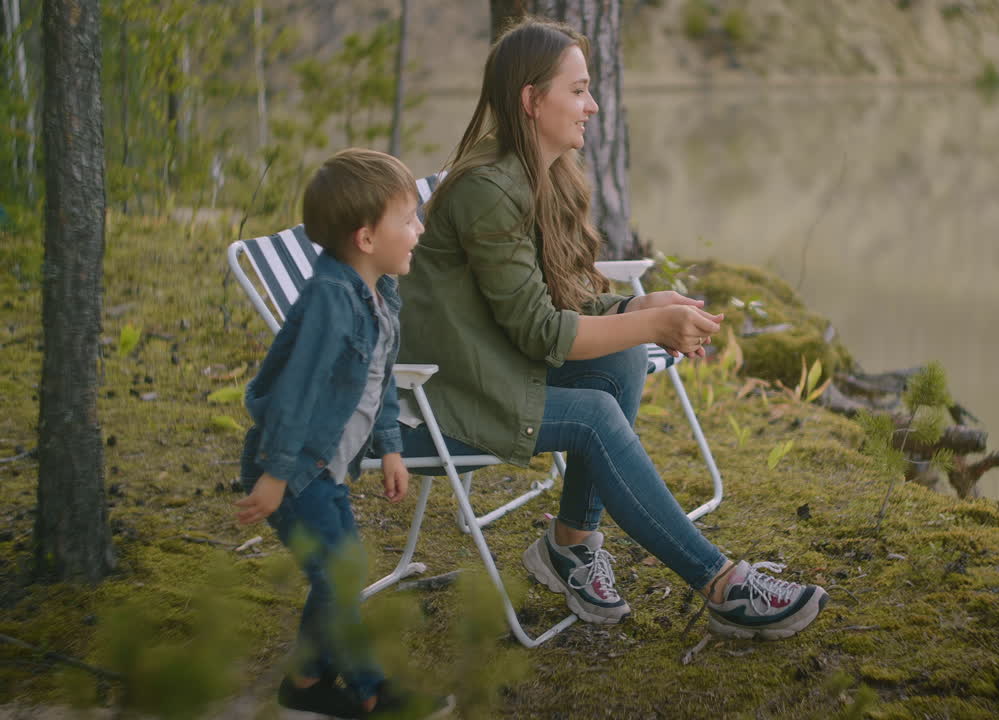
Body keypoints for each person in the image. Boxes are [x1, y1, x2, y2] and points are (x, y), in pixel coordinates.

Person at [397, 18, 828, 640]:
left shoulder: (536, 175)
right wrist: (651, 321)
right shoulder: (489, 190)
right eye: (578, 90)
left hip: (496, 361)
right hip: (449, 389)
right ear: (531, 100)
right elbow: (544, 334)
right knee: (598, 413)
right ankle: (721, 583)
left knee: (623, 360)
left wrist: (638, 308)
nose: (593, 105)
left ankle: (568, 546)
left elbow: (556, 304)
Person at [233, 149, 432, 718]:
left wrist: (391, 447)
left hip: (325, 469)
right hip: (293, 469)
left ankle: (304, 680)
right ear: (367, 238)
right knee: (340, 572)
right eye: (410, 218)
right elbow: (297, 392)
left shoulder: (381, 296)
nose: (419, 229)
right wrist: (275, 476)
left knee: (341, 571)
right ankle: (371, 691)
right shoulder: (330, 298)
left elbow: (379, 381)